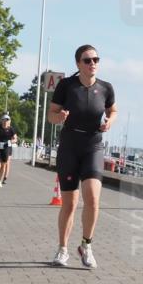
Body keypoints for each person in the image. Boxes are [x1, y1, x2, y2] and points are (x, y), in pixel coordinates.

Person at [47, 44, 117, 268]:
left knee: (93, 199)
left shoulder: (106, 88)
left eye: (96, 59)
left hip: (93, 146)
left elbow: (113, 110)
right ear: (78, 64)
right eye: (87, 60)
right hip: (69, 146)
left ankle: (86, 246)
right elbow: (51, 114)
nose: (92, 63)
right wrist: (60, 117)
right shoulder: (67, 86)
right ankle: (62, 249)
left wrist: (109, 122)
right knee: (69, 204)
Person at [0, 114, 18, 187]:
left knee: (4, 165)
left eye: (7, 120)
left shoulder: (11, 129)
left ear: (9, 121)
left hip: (6, 148)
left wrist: (11, 141)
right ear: (2, 121)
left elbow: (15, 139)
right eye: (4, 120)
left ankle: (0, 181)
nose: (5, 122)